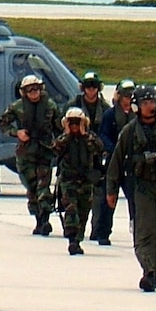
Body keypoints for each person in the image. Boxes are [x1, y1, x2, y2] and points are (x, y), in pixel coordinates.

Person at [108, 84, 156, 291]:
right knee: (145, 230)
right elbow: (116, 161)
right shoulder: (130, 131)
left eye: (152, 102)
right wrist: (111, 189)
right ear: (136, 105)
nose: (149, 106)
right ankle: (148, 271)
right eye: (144, 102)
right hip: (143, 187)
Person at [0, 73, 63, 236]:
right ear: (24, 92)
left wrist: (59, 144)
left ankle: (45, 220)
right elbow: (2, 122)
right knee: (31, 187)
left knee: (43, 187)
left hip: (44, 151)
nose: (34, 92)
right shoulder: (17, 107)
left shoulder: (50, 106)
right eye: (30, 90)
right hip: (25, 153)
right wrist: (16, 132)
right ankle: (38, 219)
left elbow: (60, 127)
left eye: (36, 89)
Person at [54, 107, 106, 256]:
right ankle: (72, 240)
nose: (75, 126)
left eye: (78, 123)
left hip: (85, 181)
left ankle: (78, 239)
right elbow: (54, 149)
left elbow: (99, 149)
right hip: (68, 181)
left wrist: (85, 134)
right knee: (71, 210)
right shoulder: (63, 140)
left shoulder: (90, 139)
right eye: (72, 123)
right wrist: (67, 134)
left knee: (83, 211)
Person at [90, 79, 135, 246]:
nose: (129, 98)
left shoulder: (138, 115)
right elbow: (103, 135)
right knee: (108, 198)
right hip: (113, 164)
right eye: (126, 95)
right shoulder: (110, 114)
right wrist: (116, 150)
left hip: (132, 165)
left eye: (131, 95)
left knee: (135, 199)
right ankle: (103, 232)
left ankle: (138, 231)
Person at [70, 72, 108, 236]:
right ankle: (73, 227)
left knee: (97, 194)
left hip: (95, 156)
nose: (91, 90)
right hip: (75, 154)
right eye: (88, 86)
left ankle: (95, 228)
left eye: (94, 86)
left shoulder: (105, 109)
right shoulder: (74, 106)